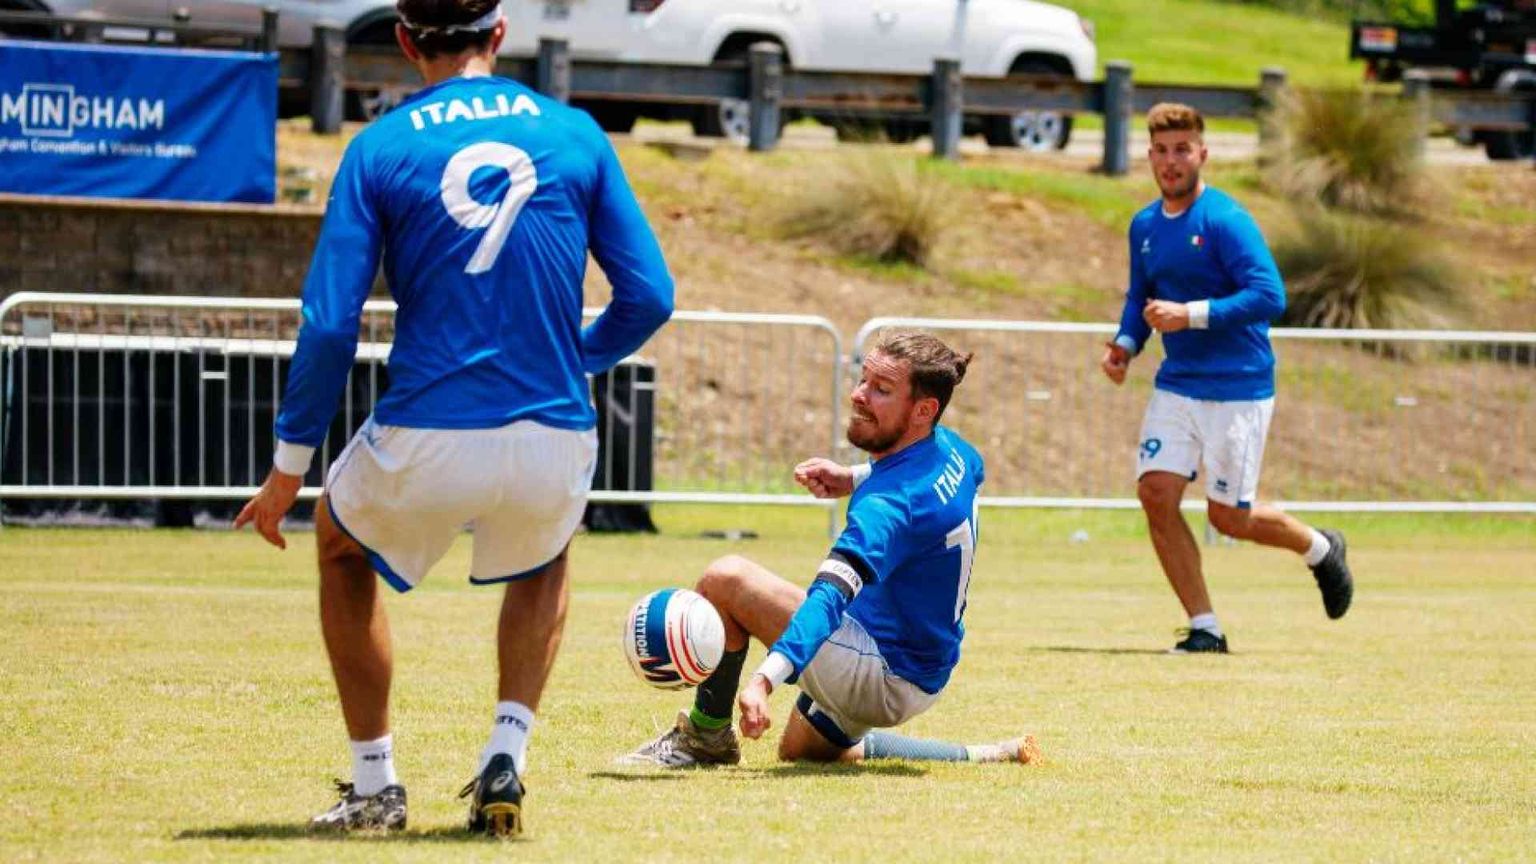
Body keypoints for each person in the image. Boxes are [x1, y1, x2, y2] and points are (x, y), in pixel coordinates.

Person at [234, 0, 673, 837]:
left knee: (338, 540)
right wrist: (577, 355)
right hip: (552, 428)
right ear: (499, 35)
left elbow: (329, 323)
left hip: (428, 426)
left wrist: (288, 469)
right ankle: (506, 751)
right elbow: (650, 293)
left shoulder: (380, 146)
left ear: (404, 40)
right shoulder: (576, 133)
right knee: (544, 554)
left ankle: (375, 786)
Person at [618, 331, 1040, 768]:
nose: (859, 396)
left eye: (882, 389)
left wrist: (764, 681)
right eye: (863, 380)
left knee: (725, 578)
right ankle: (984, 755)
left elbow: (830, 595)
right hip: (926, 670)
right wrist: (855, 476)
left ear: (924, 409)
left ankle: (706, 738)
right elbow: (952, 481)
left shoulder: (889, 506)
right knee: (800, 752)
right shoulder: (955, 451)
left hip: (881, 672)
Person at [1099, 102, 1352, 654]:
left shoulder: (1226, 219)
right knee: (1155, 493)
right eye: (1162, 151)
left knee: (1229, 518)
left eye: (1182, 149)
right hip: (1177, 384)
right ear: (1149, 157)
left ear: (1202, 154)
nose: (1171, 161)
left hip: (1239, 386)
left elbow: (1270, 296)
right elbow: (1140, 296)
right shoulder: (1144, 225)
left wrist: (1189, 314)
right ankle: (1205, 628)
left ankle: (1319, 548)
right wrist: (1126, 344)